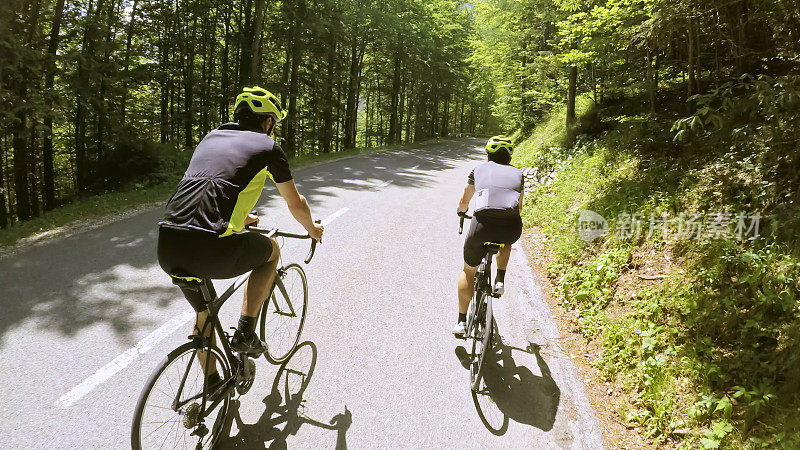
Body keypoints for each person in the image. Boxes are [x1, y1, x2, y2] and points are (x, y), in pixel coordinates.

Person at [157, 87, 324, 383]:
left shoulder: (212, 137)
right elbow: (295, 202)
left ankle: (212, 384)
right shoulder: (267, 146)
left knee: (205, 315)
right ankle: (246, 333)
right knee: (271, 251)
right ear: (268, 121)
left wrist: (242, 217)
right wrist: (312, 229)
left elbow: (210, 187)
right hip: (208, 247)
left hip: (169, 243)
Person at [453, 135, 524, 337]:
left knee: (468, 271)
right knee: (505, 241)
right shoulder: (519, 174)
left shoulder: (478, 170)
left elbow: (464, 199)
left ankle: (461, 321)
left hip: (482, 225)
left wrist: (461, 211)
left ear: (488, 155)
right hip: (510, 227)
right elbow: (518, 206)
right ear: (509, 156)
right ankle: (500, 279)